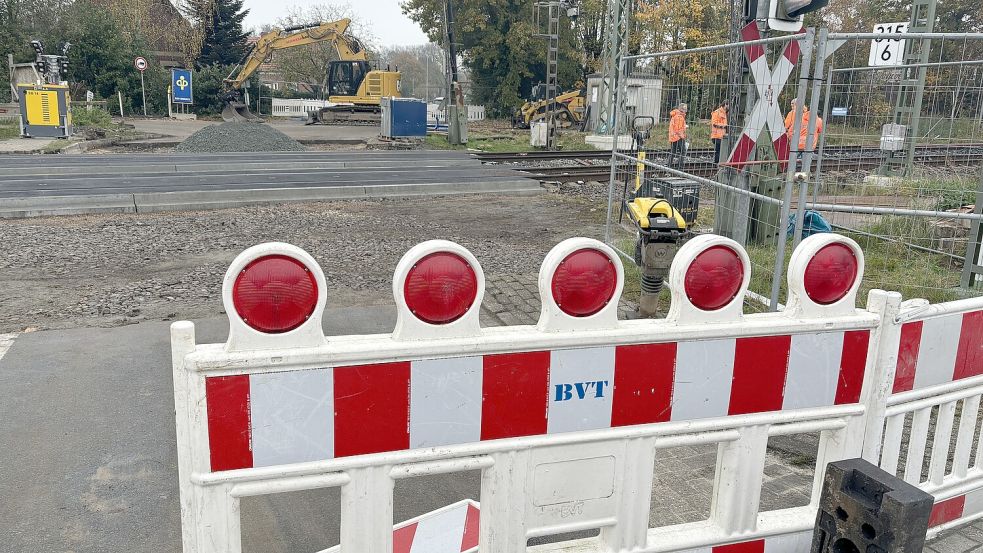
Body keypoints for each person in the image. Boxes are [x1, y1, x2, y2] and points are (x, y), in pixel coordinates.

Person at [668, 103, 688, 168]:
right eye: (685, 109)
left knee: (673, 151)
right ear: (681, 109)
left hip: (673, 136)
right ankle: (680, 166)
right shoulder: (679, 117)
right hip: (678, 137)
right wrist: (682, 136)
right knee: (683, 151)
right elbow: (678, 129)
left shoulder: (676, 115)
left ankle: (669, 165)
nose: (686, 110)